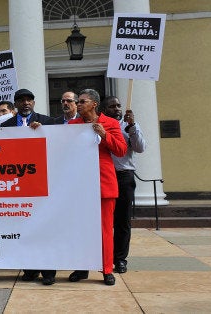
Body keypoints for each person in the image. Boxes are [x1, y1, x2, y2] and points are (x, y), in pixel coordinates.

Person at [68, 89, 127, 286]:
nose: (79, 104)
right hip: (79, 185)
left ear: (94, 104)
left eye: (82, 101)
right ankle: (81, 267)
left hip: (103, 183)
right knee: (81, 229)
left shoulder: (110, 123)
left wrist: (105, 135)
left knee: (104, 230)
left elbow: (121, 150)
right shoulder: (72, 125)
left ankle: (107, 269)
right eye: (78, 101)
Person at [1, 88, 58, 285]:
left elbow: (58, 145)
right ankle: (30, 269)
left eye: (29, 100)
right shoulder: (6, 125)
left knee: (45, 228)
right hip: (18, 186)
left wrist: (44, 131)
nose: (26, 103)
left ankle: (48, 272)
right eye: (22, 100)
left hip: (42, 184)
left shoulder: (48, 121)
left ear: (34, 103)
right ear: (15, 104)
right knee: (23, 228)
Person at [101, 96, 146, 274]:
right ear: (104, 109)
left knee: (122, 221)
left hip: (123, 177)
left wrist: (132, 127)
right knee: (104, 221)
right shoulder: (99, 125)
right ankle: (103, 257)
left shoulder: (128, 125)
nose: (117, 109)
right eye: (112, 106)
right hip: (103, 176)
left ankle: (120, 259)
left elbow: (140, 148)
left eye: (119, 105)